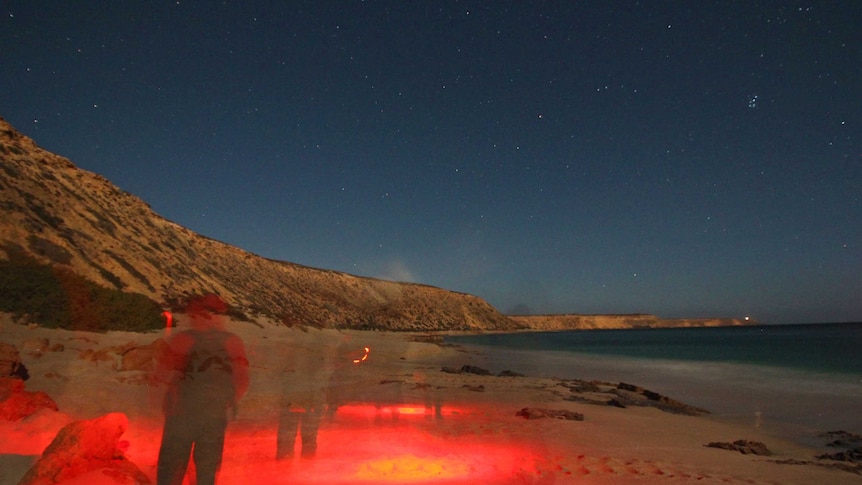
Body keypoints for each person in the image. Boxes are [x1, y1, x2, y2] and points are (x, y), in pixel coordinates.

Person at [155, 294, 249, 485]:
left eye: (196, 314)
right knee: (206, 468)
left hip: (182, 413)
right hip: (211, 414)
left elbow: (162, 373)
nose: (193, 318)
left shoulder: (183, 339)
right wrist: (227, 401)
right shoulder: (232, 342)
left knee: (173, 465)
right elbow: (242, 380)